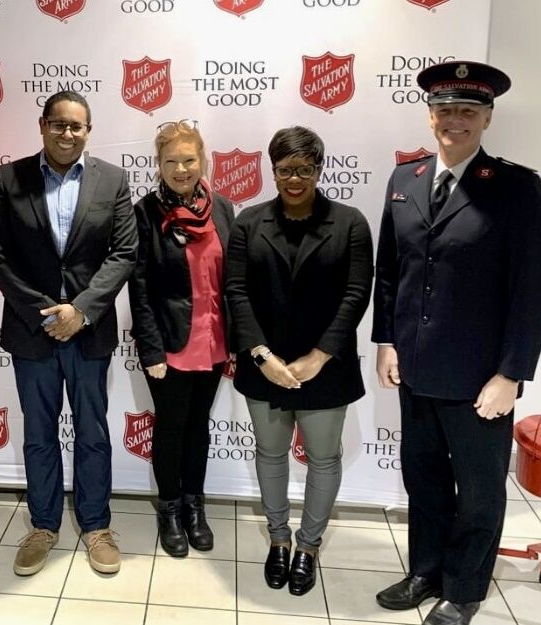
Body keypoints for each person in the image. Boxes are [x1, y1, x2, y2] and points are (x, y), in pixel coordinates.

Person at [372, 62, 541, 625]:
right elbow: (390, 271)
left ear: (487, 117)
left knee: (478, 492)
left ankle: (465, 588)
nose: (456, 120)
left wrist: (512, 373)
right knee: (422, 476)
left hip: (480, 378)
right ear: (431, 117)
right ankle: (426, 570)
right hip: (415, 368)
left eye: (469, 111)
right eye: (446, 110)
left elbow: (532, 290)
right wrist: (386, 341)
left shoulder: (517, 189)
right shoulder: (404, 180)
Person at [0, 90, 137, 576]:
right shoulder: (9, 179)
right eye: (59, 124)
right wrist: (46, 313)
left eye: (77, 126)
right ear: (42, 125)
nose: (67, 134)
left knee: (92, 432)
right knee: (39, 433)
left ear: (89, 131)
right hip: (34, 332)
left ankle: (96, 526)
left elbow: (124, 252)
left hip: (89, 333)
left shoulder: (112, 180)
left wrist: (82, 311)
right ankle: (44, 525)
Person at [226, 126, 373, 596]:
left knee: (323, 459)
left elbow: (355, 294)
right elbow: (236, 292)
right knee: (270, 455)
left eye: (304, 169)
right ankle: (278, 540)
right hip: (263, 365)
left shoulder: (350, 222)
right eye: (285, 169)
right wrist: (263, 355)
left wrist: (320, 355)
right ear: (272, 170)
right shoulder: (248, 222)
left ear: (319, 169)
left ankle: (308, 547)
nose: (294, 179)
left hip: (325, 369)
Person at [127, 119, 234, 558]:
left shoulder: (224, 209)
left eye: (189, 159)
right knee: (171, 429)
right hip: (169, 345)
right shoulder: (145, 212)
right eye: (171, 161)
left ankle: (195, 506)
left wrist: (241, 342)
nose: (181, 168)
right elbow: (139, 286)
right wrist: (150, 348)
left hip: (214, 341)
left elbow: (234, 282)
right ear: (159, 164)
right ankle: (169, 509)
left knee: (199, 428)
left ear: (203, 160)